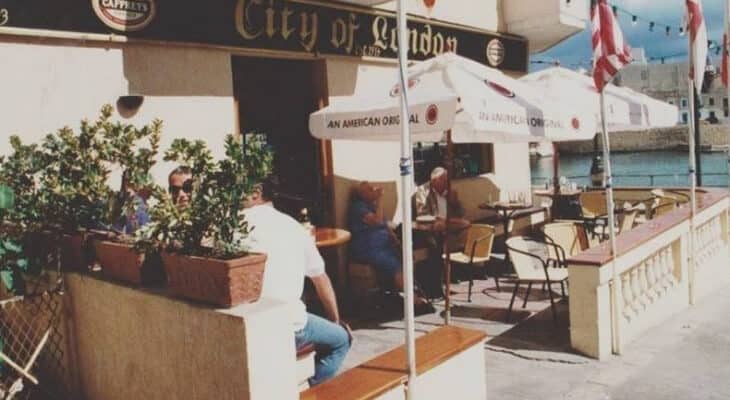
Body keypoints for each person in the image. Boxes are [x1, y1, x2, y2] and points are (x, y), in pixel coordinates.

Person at [242, 177, 351, 386]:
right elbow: (322, 282)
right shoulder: (294, 228)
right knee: (341, 340)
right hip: (288, 326)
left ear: (256, 193)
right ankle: (312, 389)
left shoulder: (229, 227)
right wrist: (336, 322)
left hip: (248, 326)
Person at [349, 181, 431, 308]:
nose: (374, 189)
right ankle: (414, 301)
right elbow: (377, 221)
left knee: (406, 258)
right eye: (370, 189)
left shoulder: (372, 206)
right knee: (395, 266)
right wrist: (381, 198)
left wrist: (395, 237)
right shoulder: (358, 207)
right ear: (362, 195)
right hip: (369, 248)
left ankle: (411, 292)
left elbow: (386, 225)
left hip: (383, 246)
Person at [112, 170, 151, 234]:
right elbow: (117, 227)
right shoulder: (124, 203)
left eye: (131, 183)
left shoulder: (142, 205)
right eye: (126, 181)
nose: (127, 187)